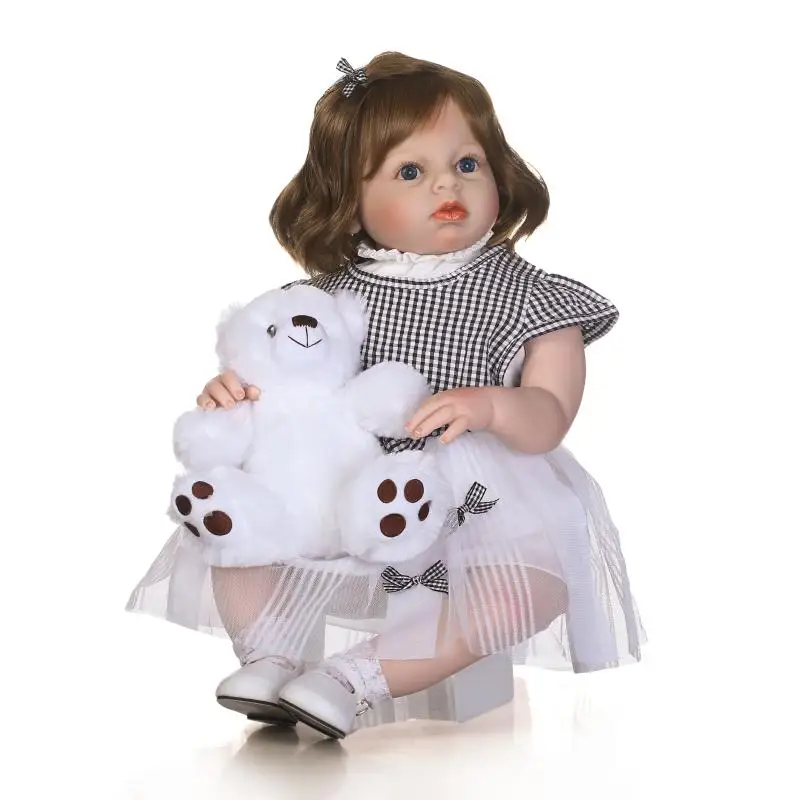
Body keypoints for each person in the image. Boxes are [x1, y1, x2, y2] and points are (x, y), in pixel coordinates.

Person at [128, 52, 646, 740]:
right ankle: (268, 658)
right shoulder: (319, 302)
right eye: (410, 172)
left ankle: (355, 679)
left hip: (473, 496)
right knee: (246, 525)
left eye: (468, 163)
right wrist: (235, 393)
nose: (446, 184)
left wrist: (492, 406)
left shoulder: (535, 298)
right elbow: (276, 380)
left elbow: (549, 415)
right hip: (338, 480)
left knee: (530, 587)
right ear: (349, 198)